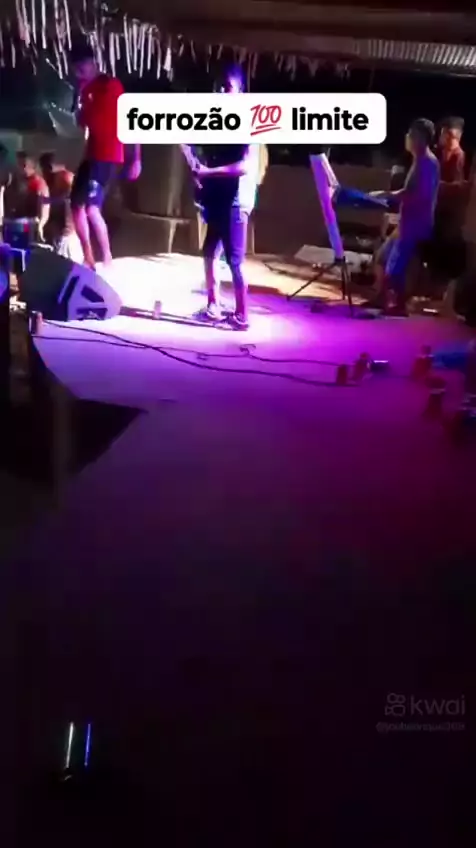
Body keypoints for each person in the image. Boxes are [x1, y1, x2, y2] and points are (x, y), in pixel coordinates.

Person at [192, 64, 260, 330]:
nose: (221, 91)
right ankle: (213, 306)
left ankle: (243, 316)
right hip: (220, 198)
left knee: (234, 260)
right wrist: (203, 176)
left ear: (240, 91)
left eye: (227, 87)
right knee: (210, 251)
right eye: (219, 87)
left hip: (236, 201)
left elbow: (243, 166)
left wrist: (208, 172)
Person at [69, 42, 141, 269]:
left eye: (83, 65)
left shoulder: (110, 85)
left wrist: (136, 158)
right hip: (91, 155)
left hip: (108, 156)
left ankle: (107, 257)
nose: (79, 71)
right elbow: (82, 123)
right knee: (76, 206)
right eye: (76, 67)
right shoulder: (84, 91)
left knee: (91, 208)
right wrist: (80, 101)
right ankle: (88, 257)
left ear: (93, 63)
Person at [369, 118, 440, 315]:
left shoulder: (427, 163)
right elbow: (410, 191)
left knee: (395, 266)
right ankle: (381, 298)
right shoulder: (419, 161)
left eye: (411, 134)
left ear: (421, 138)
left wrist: (387, 195)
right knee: (382, 258)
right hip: (407, 221)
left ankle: (399, 306)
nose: (407, 137)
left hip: (415, 223)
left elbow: (417, 194)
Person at [39, 151, 83, 261]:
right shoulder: (51, 180)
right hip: (60, 233)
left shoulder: (64, 177)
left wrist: (49, 201)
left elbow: (69, 200)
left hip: (67, 235)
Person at [3, 151, 49, 241]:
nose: (20, 168)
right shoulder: (18, 182)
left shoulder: (38, 183)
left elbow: (45, 207)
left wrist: (40, 225)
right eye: (19, 165)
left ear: (32, 166)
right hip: (17, 224)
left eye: (23, 165)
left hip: (30, 226)